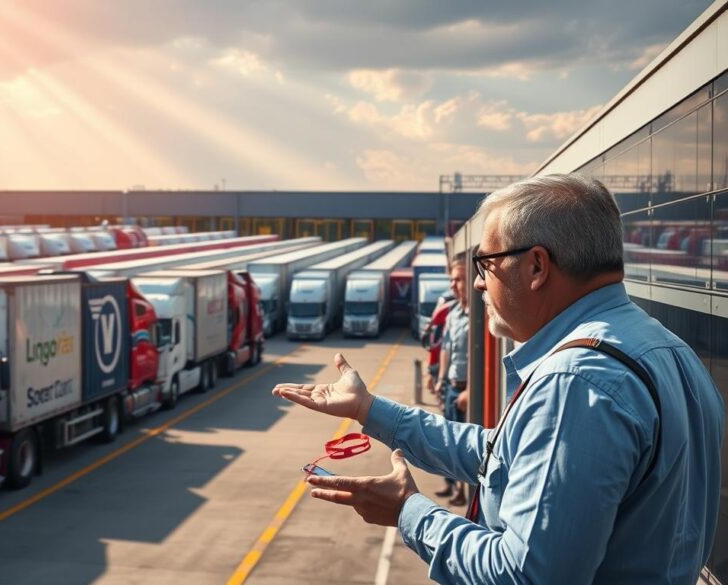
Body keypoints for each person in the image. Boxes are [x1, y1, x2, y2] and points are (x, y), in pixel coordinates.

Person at [273, 174, 724, 584]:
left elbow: (525, 576)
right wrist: (368, 409)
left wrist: (409, 512)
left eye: (485, 263)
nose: (476, 284)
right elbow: (500, 456)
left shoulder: (576, 384)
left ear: (536, 267)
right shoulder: (667, 349)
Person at [431, 258, 469, 507]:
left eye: (459, 279)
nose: (454, 285)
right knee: (446, 440)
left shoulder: (479, 314)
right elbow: (445, 347)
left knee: (465, 445)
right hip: (451, 386)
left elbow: (483, 357)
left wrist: (472, 391)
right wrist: (440, 379)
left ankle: (464, 490)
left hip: (468, 389)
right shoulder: (454, 313)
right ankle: (451, 483)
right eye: (452, 280)